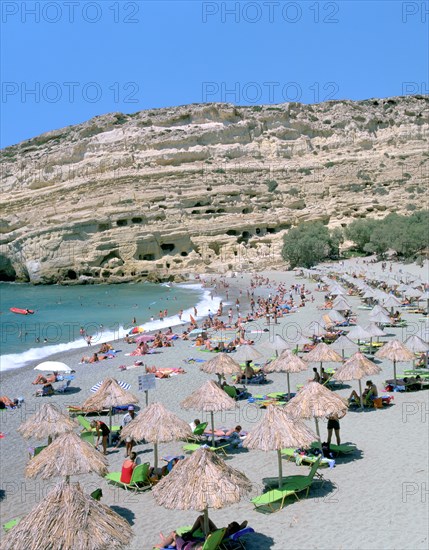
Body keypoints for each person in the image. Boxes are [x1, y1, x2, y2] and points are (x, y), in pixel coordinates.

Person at [155, 516, 248, 549]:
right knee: (203, 517)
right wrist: (241, 526)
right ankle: (171, 544)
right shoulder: (226, 532)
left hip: (208, 535)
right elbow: (243, 525)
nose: (228, 525)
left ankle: (162, 545)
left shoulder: (225, 532)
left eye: (230, 526)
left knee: (174, 533)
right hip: (215, 532)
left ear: (232, 529)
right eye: (229, 524)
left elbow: (210, 537)